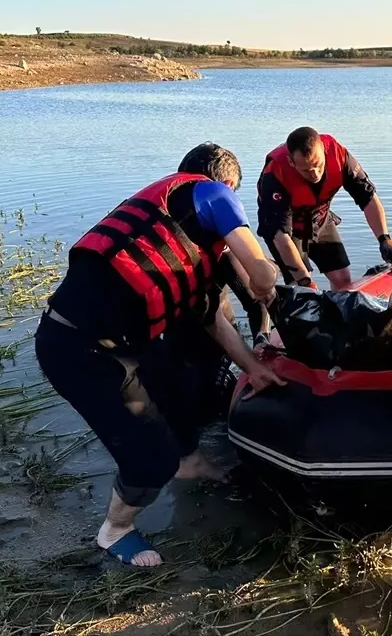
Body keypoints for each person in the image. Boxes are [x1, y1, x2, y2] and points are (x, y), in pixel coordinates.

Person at [34, 142, 284, 568]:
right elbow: (260, 271)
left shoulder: (180, 236)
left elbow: (214, 322)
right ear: (226, 185)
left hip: (124, 346)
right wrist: (268, 279)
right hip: (75, 349)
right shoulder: (212, 192)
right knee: (150, 458)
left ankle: (191, 462)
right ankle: (115, 531)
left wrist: (255, 369)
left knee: (178, 383)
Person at [257, 126, 392, 291]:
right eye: (306, 170)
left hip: (319, 218)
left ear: (323, 151)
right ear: (291, 162)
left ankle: (338, 314)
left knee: (343, 279)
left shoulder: (338, 154)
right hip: (285, 232)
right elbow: (280, 237)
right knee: (304, 290)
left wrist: (384, 239)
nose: (315, 173)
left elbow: (368, 197)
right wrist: (304, 281)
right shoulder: (275, 174)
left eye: (318, 164)